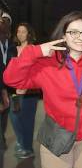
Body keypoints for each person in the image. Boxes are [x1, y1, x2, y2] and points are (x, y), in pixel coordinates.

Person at [4, 11, 82, 168]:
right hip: (57, 136)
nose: (81, 37)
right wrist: (35, 51)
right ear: (64, 36)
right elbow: (11, 79)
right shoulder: (48, 64)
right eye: (73, 32)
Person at [9, 22, 39, 159]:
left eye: (23, 31)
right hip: (15, 91)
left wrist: (26, 86)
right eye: (18, 31)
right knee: (15, 118)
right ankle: (22, 142)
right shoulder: (14, 49)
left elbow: (36, 71)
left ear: (29, 34)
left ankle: (28, 148)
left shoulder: (33, 49)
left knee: (27, 120)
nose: (20, 34)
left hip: (29, 93)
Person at [0, 0, 17, 150]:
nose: (3, 24)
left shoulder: (12, 47)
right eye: (1, 21)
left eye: (6, 21)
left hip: (8, 89)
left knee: (4, 116)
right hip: (1, 88)